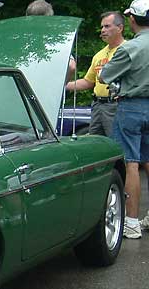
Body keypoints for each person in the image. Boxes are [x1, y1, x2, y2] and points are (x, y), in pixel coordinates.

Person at [100, 0, 149, 239]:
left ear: (131, 20)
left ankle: (131, 222)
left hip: (132, 106)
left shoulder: (130, 48)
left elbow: (106, 75)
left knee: (130, 163)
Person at [65, 12, 126, 136]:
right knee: (96, 143)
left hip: (116, 106)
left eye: (107, 26)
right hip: (97, 106)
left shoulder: (128, 50)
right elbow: (88, 82)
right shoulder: (99, 55)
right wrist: (62, 86)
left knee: (117, 144)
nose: (103, 30)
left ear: (120, 28)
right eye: (102, 27)